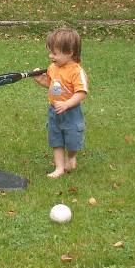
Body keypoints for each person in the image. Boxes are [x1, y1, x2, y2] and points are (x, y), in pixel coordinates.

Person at [33, 28, 89, 178]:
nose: (50, 56)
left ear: (69, 52)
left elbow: (81, 92)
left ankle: (71, 157)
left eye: (54, 53)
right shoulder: (53, 68)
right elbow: (53, 85)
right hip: (54, 111)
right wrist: (41, 80)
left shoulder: (77, 71)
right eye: (50, 52)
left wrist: (67, 104)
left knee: (72, 140)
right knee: (56, 138)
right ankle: (59, 168)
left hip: (71, 113)